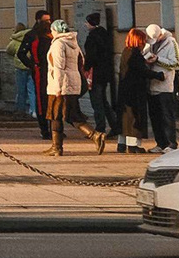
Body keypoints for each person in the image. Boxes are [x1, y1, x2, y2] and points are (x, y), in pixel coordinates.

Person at [44, 19, 92, 156]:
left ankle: (57, 147)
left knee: (56, 116)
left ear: (56, 31)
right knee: (69, 115)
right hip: (72, 83)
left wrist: (58, 87)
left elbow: (58, 66)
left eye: (52, 30)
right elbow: (81, 61)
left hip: (59, 86)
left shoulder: (58, 44)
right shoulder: (73, 42)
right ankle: (57, 146)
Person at [113, 26, 152, 154]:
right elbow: (142, 71)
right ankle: (133, 145)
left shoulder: (126, 51)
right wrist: (159, 75)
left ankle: (121, 144)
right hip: (135, 90)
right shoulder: (136, 54)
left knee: (125, 118)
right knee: (135, 117)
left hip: (124, 89)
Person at [143, 21, 179, 151]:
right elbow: (145, 55)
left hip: (165, 86)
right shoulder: (149, 43)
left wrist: (158, 59)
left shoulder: (171, 43)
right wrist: (147, 60)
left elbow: (176, 64)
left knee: (167, 116)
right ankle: (160, 143)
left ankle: (171, 143)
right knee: (155, 117)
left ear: (160, 35)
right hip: (152, 85)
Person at [17, 11, 53, 139]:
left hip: (52, 70)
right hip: (39, 71)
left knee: (53, 99)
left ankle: (55, 128)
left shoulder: (51, 34)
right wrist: (32, 65)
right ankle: (44, 129)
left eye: (49, 20)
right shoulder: (31, 35)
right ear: (38, 20)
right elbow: (21, 53)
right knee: (41, 100)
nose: (48, 23)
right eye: (45, 20)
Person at [81, 11, 116, 139]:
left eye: (87, 22)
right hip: (104, 73)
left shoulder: (92, 37)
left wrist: (85, 67)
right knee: (104, 102)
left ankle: (100, 129)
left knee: (97, 102)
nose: (85, 24)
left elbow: (91, 56)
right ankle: (115, 125)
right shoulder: (104, 34)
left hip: (95, 74)